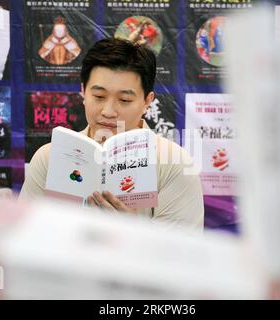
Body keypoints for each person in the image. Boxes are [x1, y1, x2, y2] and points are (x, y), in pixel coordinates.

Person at [20, 38, 204, 232]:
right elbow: (25, 236)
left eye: (124, 100)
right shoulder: (48, 158)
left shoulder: (174, 163)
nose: (108, 111)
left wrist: (133, 229)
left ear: (147, 101)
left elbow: (181, 254)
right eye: (99, 97)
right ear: (83, 91)